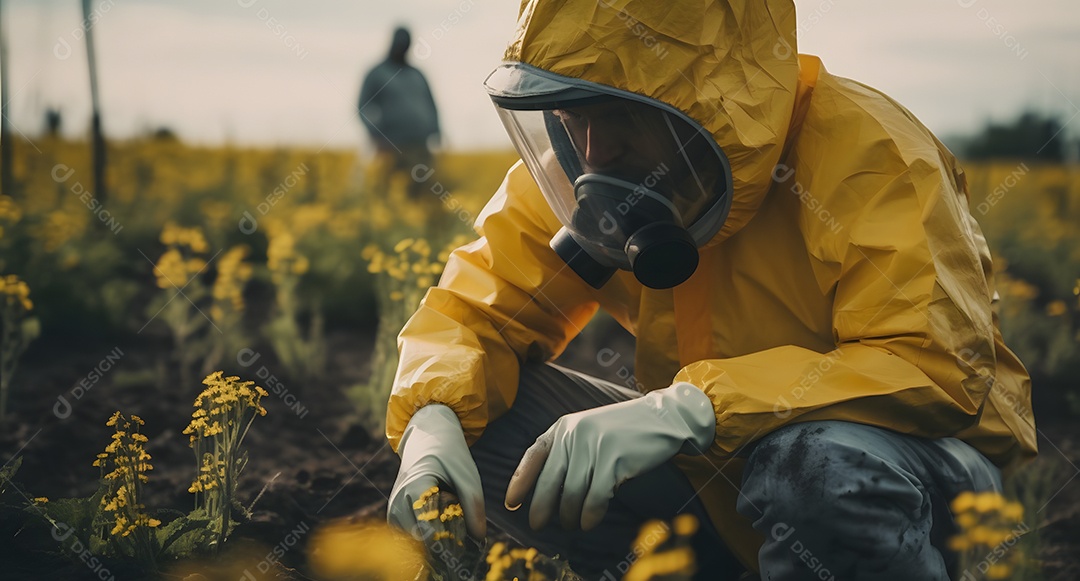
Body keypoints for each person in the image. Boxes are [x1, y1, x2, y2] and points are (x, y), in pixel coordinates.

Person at [384, 1, 1037, 579]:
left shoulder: (872, 155)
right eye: (568, 111)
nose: (592, 149)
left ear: (703, 103)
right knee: (472, 408)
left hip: (909, 487)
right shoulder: (584, 164)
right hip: (720, 491)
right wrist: (432, 417)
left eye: (614, 114)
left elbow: (934, 366)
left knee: (809, 468)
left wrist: (692, 408)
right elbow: (475, 312)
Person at [358, 26, 440, 198]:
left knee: (420, 193)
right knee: (388, 193)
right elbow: (363, 107)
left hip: (420, 145)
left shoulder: (417, 75)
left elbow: (431, 105)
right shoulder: (377, 73)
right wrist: (375, 133)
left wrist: (436, 130)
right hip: (390, 145)